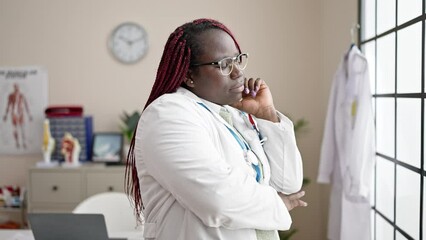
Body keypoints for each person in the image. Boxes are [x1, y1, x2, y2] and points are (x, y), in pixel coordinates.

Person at [125, 18, 307, 240]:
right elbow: (217, 199)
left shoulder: (234, 115)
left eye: (238, 60)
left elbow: (287, 184)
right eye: (224, 64)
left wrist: (267, 114)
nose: (237, 72)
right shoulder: (167, 114)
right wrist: (277, 203)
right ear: (189, 76)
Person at [2, 83, 32, 149]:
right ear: (14, 88)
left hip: (20, 113)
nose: (16, 89)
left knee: (22, 128)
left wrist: (29, 114)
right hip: (14, 113)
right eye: (15, 87)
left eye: (17, 87)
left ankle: (24, 142)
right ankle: (17, 143)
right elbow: (8, 105)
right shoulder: (11, 96)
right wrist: (6, 115)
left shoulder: (22, 95)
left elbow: (26, 105)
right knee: (15, 129)